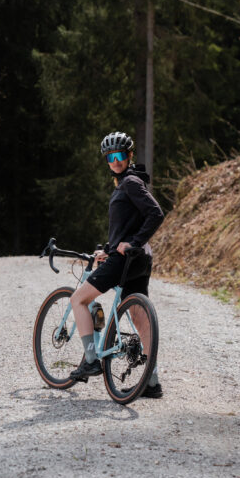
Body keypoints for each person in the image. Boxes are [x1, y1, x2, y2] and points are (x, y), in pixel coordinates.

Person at [69, 131, 165, 397]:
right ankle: (152, 380)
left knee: (78, 299)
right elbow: (128, 225)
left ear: (129, 156)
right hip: (140, 259)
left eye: (120, 155)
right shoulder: (129, 184)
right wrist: (109, 248)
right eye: (111, 156)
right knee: (139, 315)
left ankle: (90, 361)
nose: (115, 160)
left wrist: (131, 243)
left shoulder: (131, 182)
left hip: (128, 258)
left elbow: (156, 214)